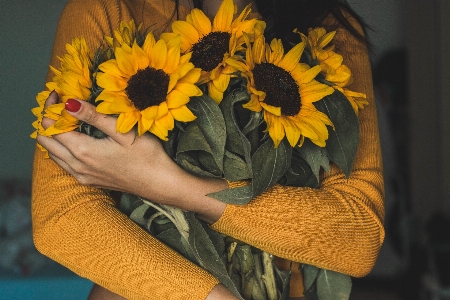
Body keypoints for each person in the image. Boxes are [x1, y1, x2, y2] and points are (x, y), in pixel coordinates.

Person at [32, 0, 385, 299]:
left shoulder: (325, 26)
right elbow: (62, 217)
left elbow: (359, 235)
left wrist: (170, 185)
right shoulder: (107, 10)